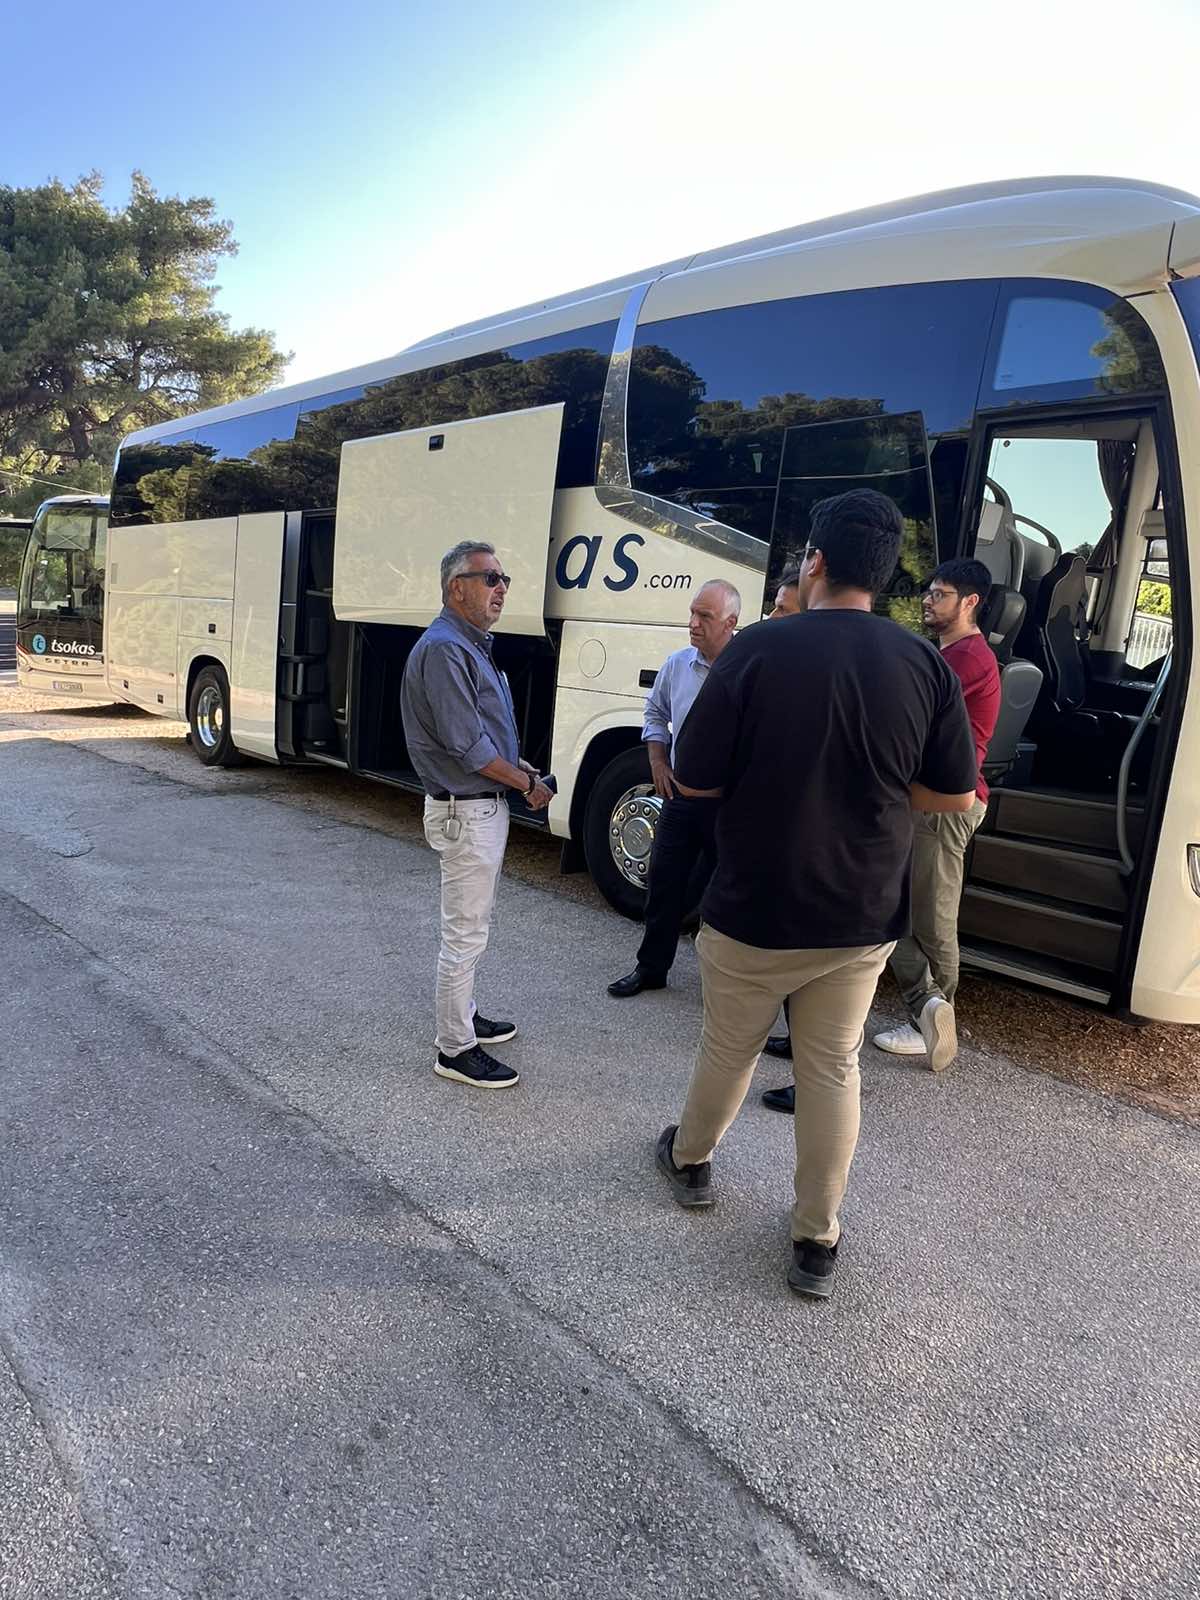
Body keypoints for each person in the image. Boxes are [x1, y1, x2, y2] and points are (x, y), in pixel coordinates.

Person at [653, 489, 977, 1300]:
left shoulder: (757, 650)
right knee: (832, 1067)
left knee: (728, 1049)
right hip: (861, 914)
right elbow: (953, 794)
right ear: (885, 571)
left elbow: (693, 777)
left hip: (755, 904)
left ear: (817, 562)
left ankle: (690, 1162)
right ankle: (815, 1240)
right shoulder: (924, 665)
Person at [400, 540, 553, 1090]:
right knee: (464, 935)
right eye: (489, 578)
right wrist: (527, 784)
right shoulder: (446, 650)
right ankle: (455, 1048)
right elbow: (468, 747)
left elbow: (482, 735)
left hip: (475, 808)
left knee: (472, 929)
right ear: (455, 587)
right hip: (465, 812)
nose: (501, 587)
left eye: (504, 578)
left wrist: (518, 765)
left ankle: (463, 1016)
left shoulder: (467, 645)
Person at [871, 557, 1001, 1071]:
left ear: (970, 602)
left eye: (940, 593)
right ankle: (925, 1007)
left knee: (932, 917)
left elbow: (908, 708)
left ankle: (933, 1017)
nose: (928, 599)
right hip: (926, 799)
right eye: (928, 591)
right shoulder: (950, 654)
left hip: (945, 805)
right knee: (894, 907)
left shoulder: (967, 659)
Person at [607, 580, 741, 998]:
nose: (693, 623)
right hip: (680, 799)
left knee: (728, 895)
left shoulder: (747, 669)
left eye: (705, 616)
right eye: (692, 613)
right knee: (663, 884)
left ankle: (725, 983)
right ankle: (651, 968)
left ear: (731, 623)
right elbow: (655, 711)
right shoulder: (678, 664)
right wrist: (657, 761)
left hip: (728, 807)